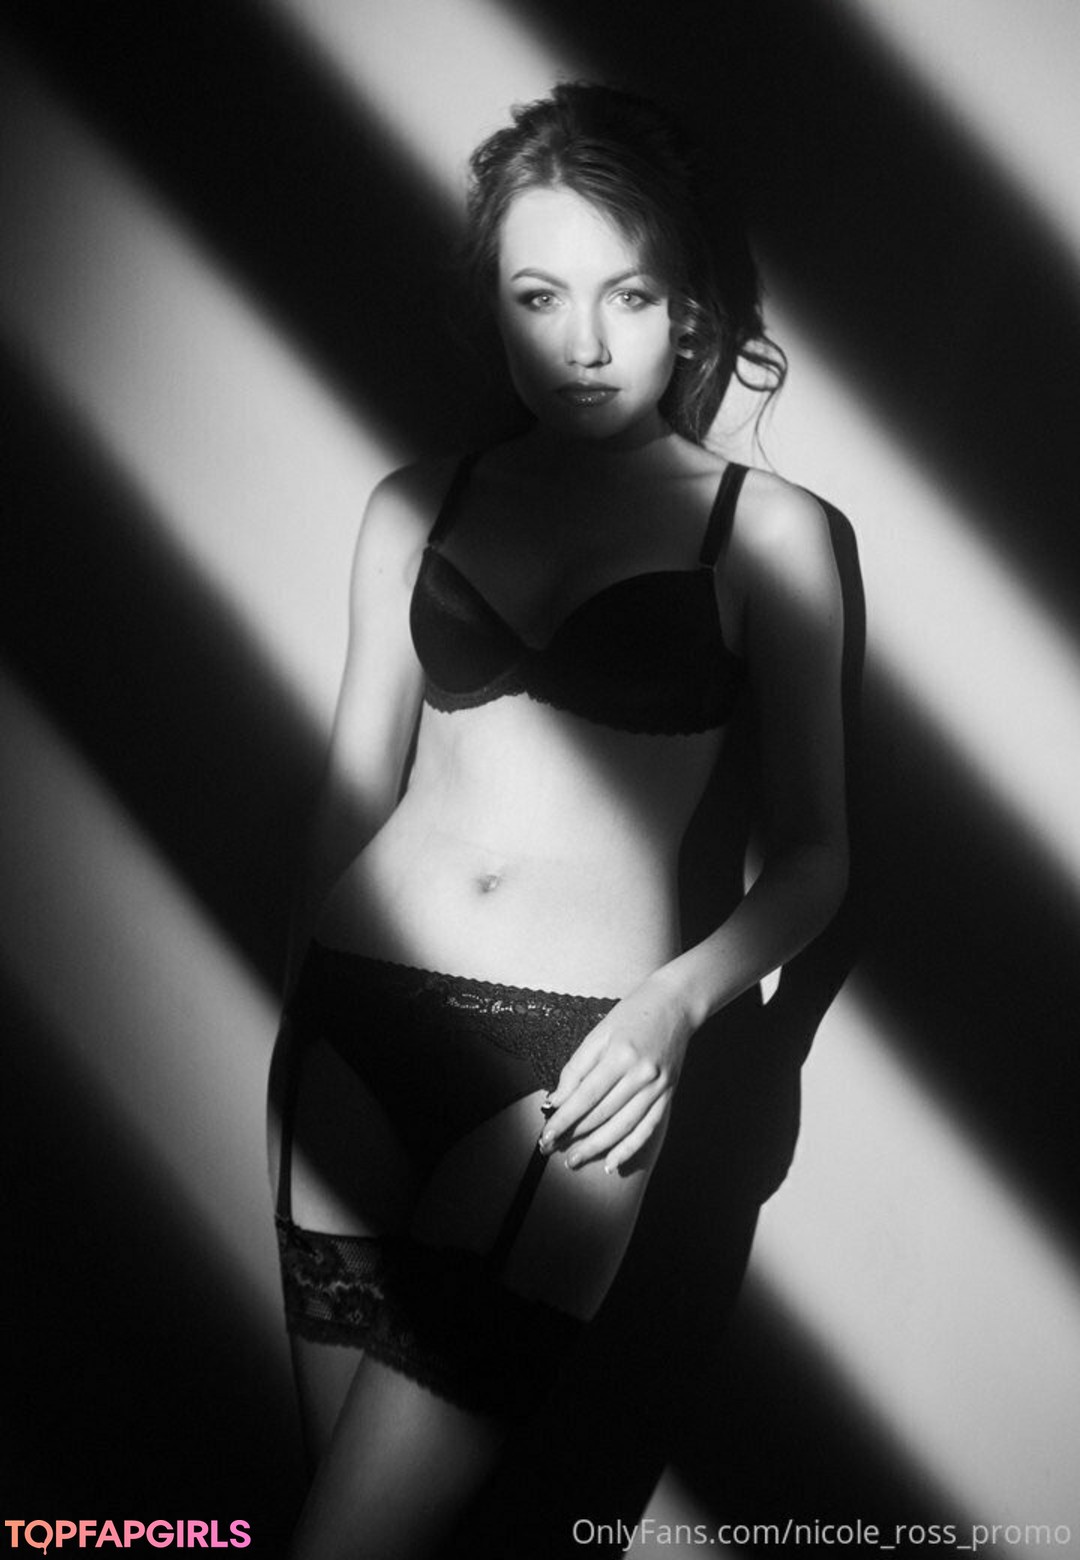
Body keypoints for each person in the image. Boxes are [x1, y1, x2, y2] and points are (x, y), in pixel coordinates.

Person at [267, 80, 850, 1560]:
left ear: (691, 312)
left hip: (576, 1066)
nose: (583, 343)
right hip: (350, 1038)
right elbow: (349, 798)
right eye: (539, 297)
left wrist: (677, 1008)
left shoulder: (769, 533)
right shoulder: (417, 504)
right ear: (496, 308)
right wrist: (304, 1007)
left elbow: (819, 854)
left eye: (627, 295)